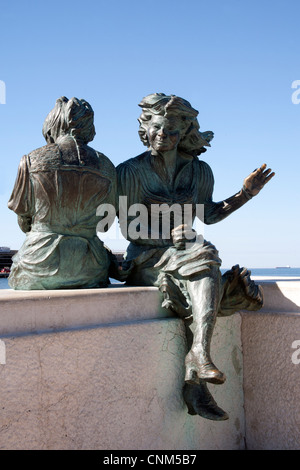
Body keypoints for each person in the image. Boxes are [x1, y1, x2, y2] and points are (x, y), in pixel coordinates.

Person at [117, 93, 275, 420]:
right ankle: (198, 364)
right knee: (206, 262)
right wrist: (165, 236)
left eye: (173, 131)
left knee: (202, 258)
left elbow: (211, 214)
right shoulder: (130, 171)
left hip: (186, 254)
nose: (164, 137)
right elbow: (128, 229)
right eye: (158, 129)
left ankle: (197, 361)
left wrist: (246, 193)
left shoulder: (199, 171)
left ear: (183, 132)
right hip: (147, 257)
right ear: (146, 129)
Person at [8, 96, 117, 290]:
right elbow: (105, 225)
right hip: (90, 268)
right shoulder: (107, 167)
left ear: (52, 127)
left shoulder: (31, 160)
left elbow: (24, 221)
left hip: (37, 266)